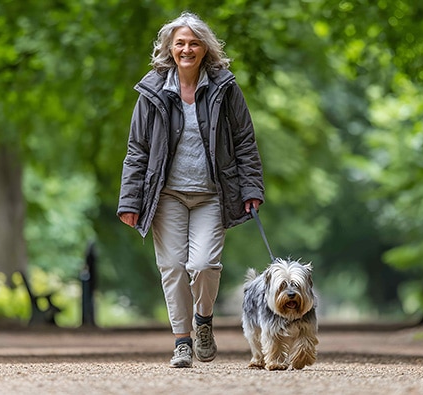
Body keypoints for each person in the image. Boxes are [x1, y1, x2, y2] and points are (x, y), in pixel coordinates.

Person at [117, 11, 264, 368]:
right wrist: (129, 199)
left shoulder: (224, 87)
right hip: (165, 194)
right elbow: (137, 149)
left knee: (204, 265)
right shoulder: (151, 91)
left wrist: (251, 188)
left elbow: (244, 140)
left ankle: (203, 320)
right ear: (170, 47)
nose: (186, 49)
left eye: (194, 43)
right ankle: (182, 341)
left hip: (211, 194)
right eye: (180, 43)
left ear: (205, 48)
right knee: (171, 266)